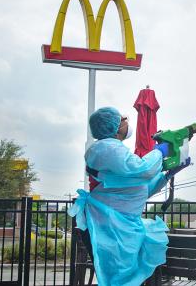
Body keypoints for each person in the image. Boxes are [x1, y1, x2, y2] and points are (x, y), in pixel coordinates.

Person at [68, 106, 186, 286]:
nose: (126, 122)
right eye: (123, 119)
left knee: (123, 278)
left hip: (117, 224)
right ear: (114, 127)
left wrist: (166, 175)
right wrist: (158, 152)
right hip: (109, 224)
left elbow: (139, 189)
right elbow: (142, 169)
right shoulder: (107, 148)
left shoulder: (113, 150)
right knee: (119, 278)